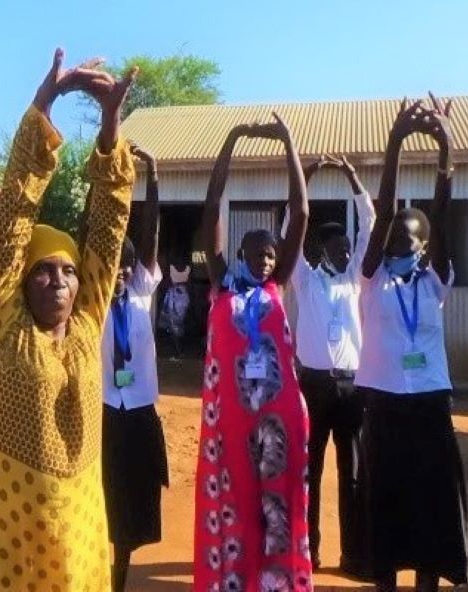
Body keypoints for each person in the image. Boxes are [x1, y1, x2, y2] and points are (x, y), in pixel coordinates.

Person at [0, 49, 136, 591]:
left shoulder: (86, 326)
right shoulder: (6, 326)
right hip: (5, 536)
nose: (57, 280)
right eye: (42, 272)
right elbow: (11, 222)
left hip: (75, 526)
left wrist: (110, 125)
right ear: (22, 281)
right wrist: (46, 101)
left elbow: (108, 225)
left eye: (66, 272)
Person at [355, 96, 468, 591]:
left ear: (425, 246)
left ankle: (426, 583)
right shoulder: (371, 277)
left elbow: (441, 214)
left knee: (430, 503)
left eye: (409, 241)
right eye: (393, 241)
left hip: (427, 403)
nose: (399, 246)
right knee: (384, 503)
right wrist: (396, 142)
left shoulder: (435, 281)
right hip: (382, 403)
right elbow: (383, 211)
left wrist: (445, 143)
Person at [194, 114, 312, 591]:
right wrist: (230, 142)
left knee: (279, 505)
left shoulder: (277, 285)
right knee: (237, 504)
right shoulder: (222, 284)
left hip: (280, 416)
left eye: (271, 253)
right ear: (240, 254)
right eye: (258, 253)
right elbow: (210, 211)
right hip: (231, 417)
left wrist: (288, 143)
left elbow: (300, 213)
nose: (266, 259)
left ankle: (277, 583)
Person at [284, 153, 373, 574]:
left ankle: (353, 555)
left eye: (347, 248)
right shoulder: (305, 278)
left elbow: (371, 227)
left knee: (352, 473)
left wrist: (354, 180)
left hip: (352, 387)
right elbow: (289, 231)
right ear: (322, 249)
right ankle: (309, 552)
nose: (345, 253)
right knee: (310, 472)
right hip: (313, 386)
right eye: (338, 248)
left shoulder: (356, 277)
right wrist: (309, 174)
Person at [101, 145, 169, 592]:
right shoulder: (90, 304)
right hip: (105, 411)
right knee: (104, 498)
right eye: (115, 266)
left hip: (140, 409)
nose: (122, 273)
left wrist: (153, 175)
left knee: (134, 505)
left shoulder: (143, 290)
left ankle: (119, 573)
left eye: (127, 267)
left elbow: (149, 236)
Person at [159, 253, 191, 361]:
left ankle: (178, 351)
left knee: (175, 328)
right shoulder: (187, 269)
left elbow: (167, 281)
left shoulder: (172, 269)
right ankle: (178, 351)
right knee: (176, 327)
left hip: (176, 297)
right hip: (181, 297)